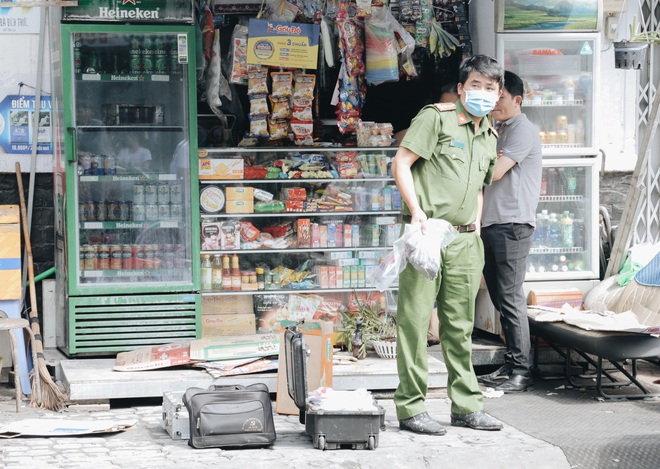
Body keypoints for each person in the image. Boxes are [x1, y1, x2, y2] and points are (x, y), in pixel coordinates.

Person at [391, 54, 504, 435]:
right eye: (476, 85)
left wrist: (477, 225)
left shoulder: (490, 135)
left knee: (460, 326)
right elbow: (401, 162)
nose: (483, 94)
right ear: (460, 88)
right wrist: (416, 212)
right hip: (428, 236)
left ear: (499, 92)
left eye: (491, 88)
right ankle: (410, 409)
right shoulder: (435, 118)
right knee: (415, 321)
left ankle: (466, 406)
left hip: (467, 241)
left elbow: (480, 188)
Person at [477, 71, 542, 393]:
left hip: (512, 224)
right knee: (502, 299)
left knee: (511, 298)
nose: (494, 103)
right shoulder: (499, 129)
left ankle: (522, 370)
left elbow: (495, 172)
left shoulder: (522, 130)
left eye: (499, 98)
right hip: (493, 222)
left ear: (517, 100)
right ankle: (512, 362)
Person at [393, 83, 459, 145]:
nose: (444, 108)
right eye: (442, 103)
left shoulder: (464, 130)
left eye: (450, 106)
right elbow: (396, 140)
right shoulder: (431, 121)